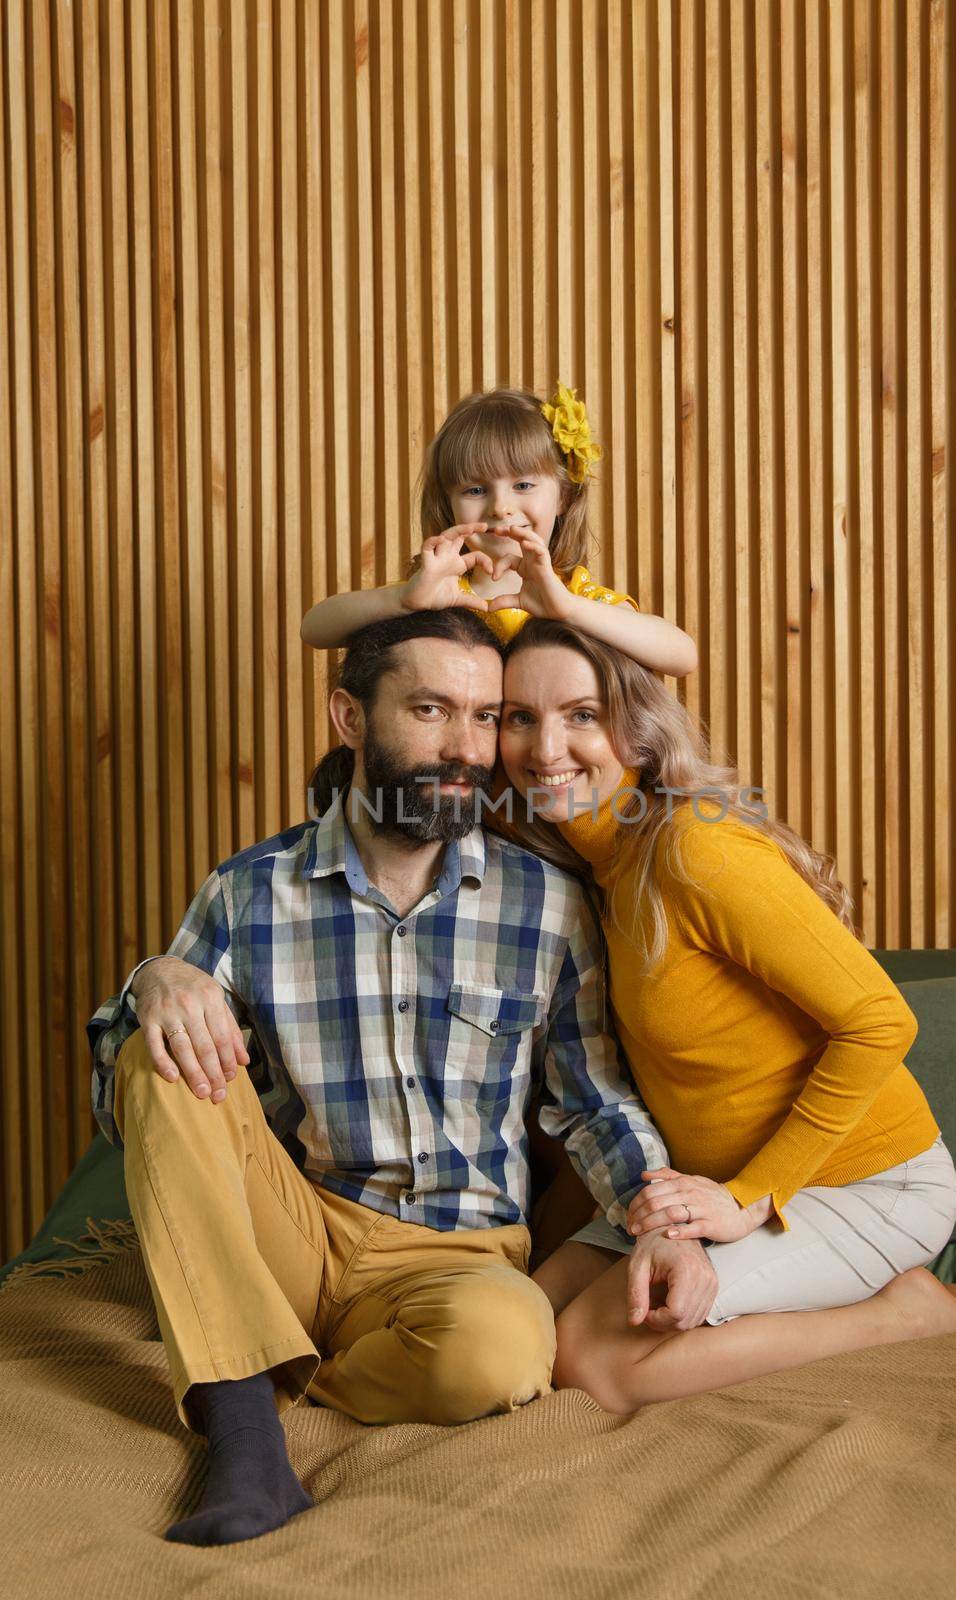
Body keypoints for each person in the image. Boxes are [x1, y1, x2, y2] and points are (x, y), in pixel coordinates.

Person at [86, 607, 691, 1548]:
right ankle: (245, 1440)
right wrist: (155, 983)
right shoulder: (250, 891)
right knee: (158, 1052)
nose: (465, 747)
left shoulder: (549, 905)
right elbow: (131, 1103)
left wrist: (666, 1224)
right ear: (348, 717)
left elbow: (594, 1102)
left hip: (457, 1257)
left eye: (487, 718)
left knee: (499, 1359)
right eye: (429, 709)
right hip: (293, 1227)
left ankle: (285, 1363)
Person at [492, 617, 956, 1413]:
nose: (545, 746)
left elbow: (879, 1019)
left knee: (594, 1364)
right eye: (519, 718)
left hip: (864, 1184)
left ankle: (906, 1313)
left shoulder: (693, 851)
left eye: (581, 715)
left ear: (634, 729)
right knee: (527, 1323)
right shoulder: (595, 864)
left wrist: (749, 1200)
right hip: (705, 1186)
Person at [300, 382, 698, 676]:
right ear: (449, 505)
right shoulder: (439, 596)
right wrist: (404, 599)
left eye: (523, 485)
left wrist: (569, 608)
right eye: (475, 489)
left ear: (563, 497)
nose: (501, 507)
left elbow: (682, 656)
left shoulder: (572, 597)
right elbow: (315, 627)